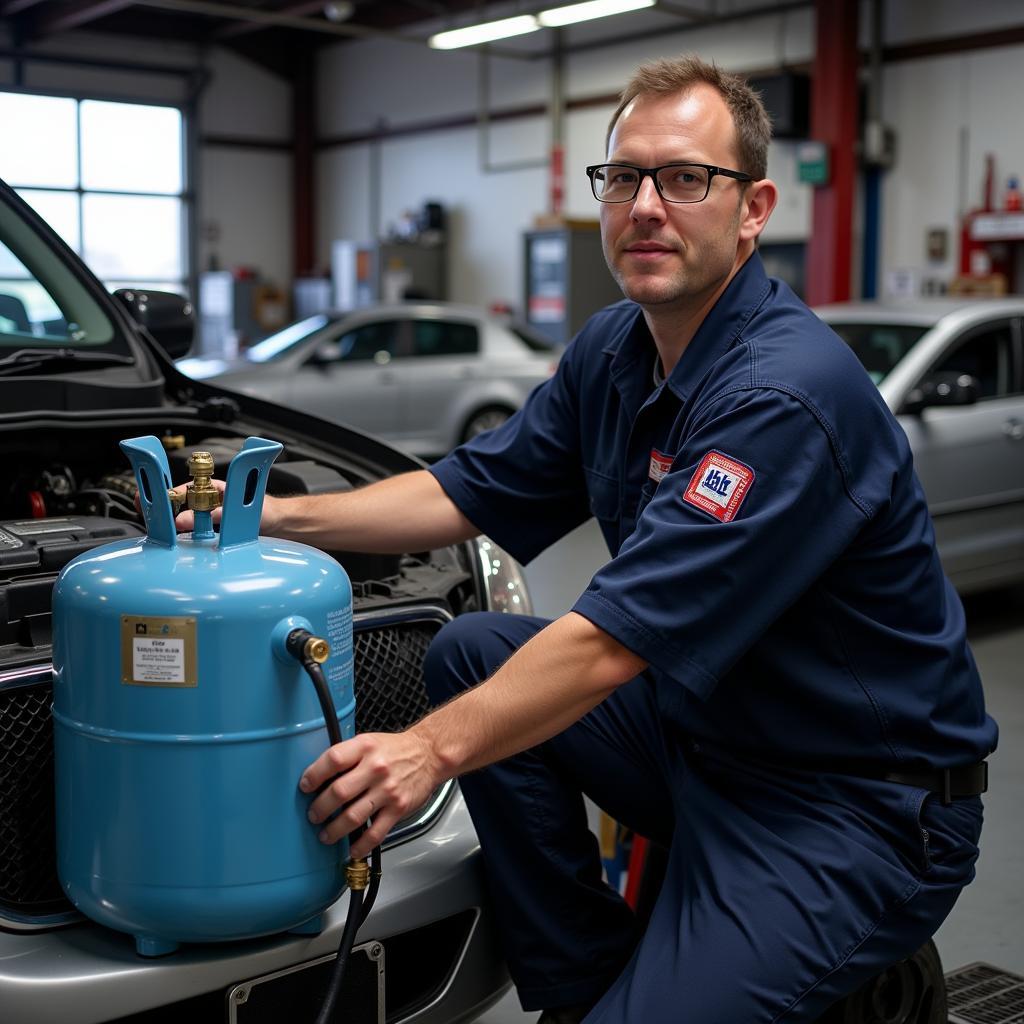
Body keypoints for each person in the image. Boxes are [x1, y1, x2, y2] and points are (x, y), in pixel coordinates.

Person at [232, 56, 995, 1023]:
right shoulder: (614, 349)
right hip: (710, 744)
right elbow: (464, 492)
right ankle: (584, 983)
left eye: (685, 179)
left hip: (851, 806)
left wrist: (424, 752)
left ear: (753, 208)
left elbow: (608, 644)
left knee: (504, 696)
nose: (645, 206)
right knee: (473, 651)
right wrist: (269, 516)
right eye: (625, 176)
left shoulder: (783, 395)